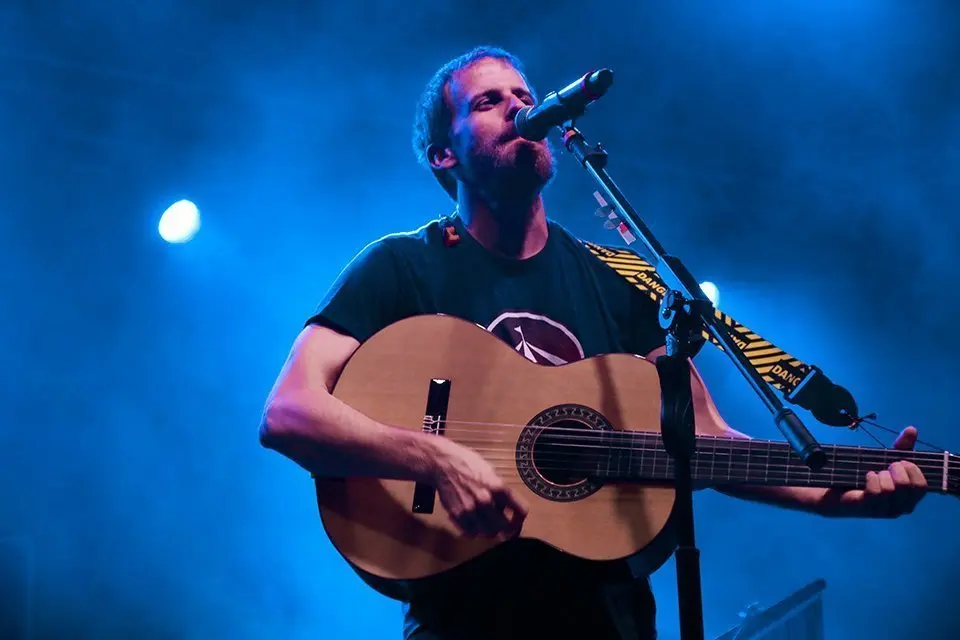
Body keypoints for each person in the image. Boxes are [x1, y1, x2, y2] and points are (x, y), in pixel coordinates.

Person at [259, 46, 928, 639]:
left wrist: (848, 498)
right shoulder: (401, 266)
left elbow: (707, 445)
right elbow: (289, 413)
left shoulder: (622, 281)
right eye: (489, 103)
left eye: (525, 96)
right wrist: (434, 458)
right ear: (445, 154)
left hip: (612, 619)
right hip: (461, 618)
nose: (520, 108)